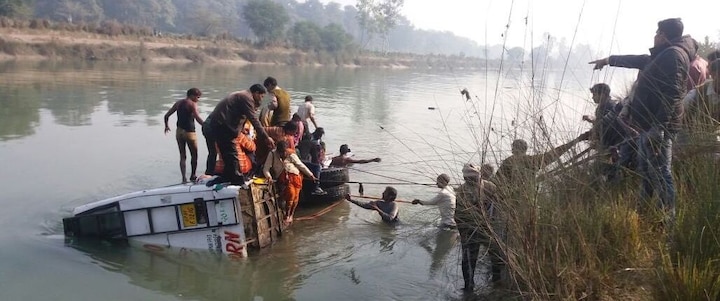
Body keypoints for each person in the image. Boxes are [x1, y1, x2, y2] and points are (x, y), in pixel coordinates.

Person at [589, 18, 695, 221]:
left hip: (658, 127)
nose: (654, 37)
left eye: (656, 33)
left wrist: (659, 127)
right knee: (647, 168)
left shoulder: (673, 55)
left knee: (661, 171)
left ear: (662, 35)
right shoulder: (666, 54)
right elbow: (639, 60)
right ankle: (644, 208)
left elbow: (672, 94)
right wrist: (608, 60)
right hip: (649, 125)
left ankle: (667, 218)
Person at [203, 84, 274, 186]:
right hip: (222, 126)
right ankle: (236, 179)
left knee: (227, 153)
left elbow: (242, 117)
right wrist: (266, 137)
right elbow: (254, 119)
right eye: (261, 96)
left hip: (220, 125)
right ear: (256, 93)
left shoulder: (242, 95)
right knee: (232, 153)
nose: (261, 99)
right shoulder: (247, 98)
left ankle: (226, 176)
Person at [455, 163, 504, 292]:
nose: (471, 179)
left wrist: (492, 222)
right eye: (468, 177)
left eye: (474, 176)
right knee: (469, 261)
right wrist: (463, 234)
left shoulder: (490, 187)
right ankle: (469, 287)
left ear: (479, 175)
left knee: (496, 255)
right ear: (464, 177)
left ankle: (497, 283)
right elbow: (458, 215)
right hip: (470, 231)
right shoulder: (461, 191)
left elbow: (499, 207)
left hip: (489, 229)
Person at [495, 132, 590, 187]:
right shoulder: (531, 161)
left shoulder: (508, 162)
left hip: (507, 202)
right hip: (526, 201)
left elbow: (496, 181)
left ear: (513, 149)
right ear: (525, 149)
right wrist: (576, 140)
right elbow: (553, 154)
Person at [263, 140, 318, 226]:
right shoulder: (272, 154)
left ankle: (291, 215)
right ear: (278, 150)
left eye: (284, 152)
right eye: (281, 152)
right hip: (283, 179)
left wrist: (311, 175)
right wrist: (269, 177)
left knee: (296, 198)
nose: (283, 154)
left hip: (296, 177)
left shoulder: (291, 154)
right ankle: (286, 215)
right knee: (291, 195)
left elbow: (300, 165)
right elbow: (266, 169)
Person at [164, 88, 204, 183]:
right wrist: (206, 125)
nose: (198, 99)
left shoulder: (178, 103)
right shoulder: (192, 104)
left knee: (182, 156)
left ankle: (183, 178)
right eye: (197, 97)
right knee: (194, 155)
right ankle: (193, 176)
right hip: (190, 133)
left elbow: (166, 116)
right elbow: (197, 118)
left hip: (179, 132)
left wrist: (166, 126)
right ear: (192, 96)